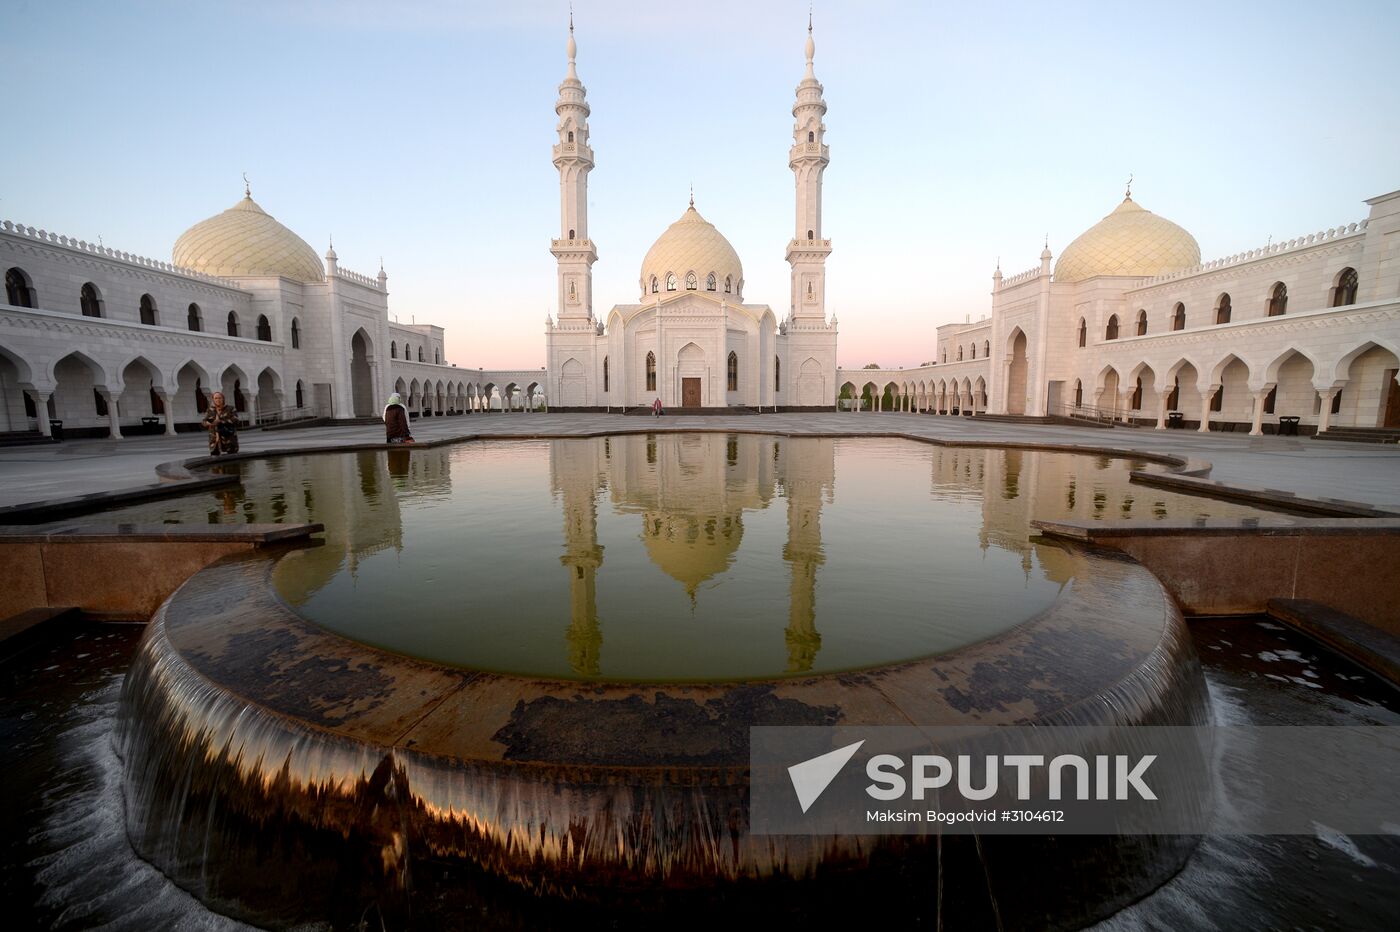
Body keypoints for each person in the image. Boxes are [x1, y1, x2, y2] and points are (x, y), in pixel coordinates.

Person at [201, 391, 240, 456]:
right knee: (216, 464)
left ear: (223, 399)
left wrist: (221, 421)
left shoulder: (230, 409)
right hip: (214, 442)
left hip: (229, 441)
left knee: (232, 463)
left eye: (219, 398)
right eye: (216, 398)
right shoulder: (210, 410)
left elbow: (236, 420)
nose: (218, 400)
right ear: (213, 399)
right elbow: (203, 421)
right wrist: (207, 423)